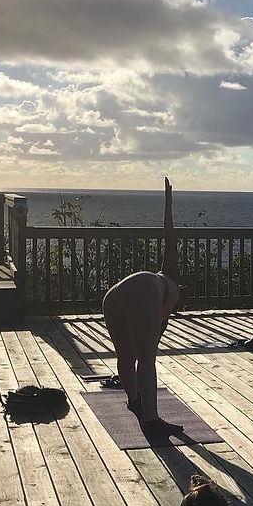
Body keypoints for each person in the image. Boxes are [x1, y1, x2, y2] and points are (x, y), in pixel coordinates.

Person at [102, 177, 184, 434]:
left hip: (114, 296)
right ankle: (150, 419)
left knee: (126, 356)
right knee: (146, 360)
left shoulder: (166, 284)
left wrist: (169, 202)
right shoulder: (168, 283)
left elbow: (168, 239)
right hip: (144, 288)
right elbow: (169, 238)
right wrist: (168, 203)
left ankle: (134, 401)